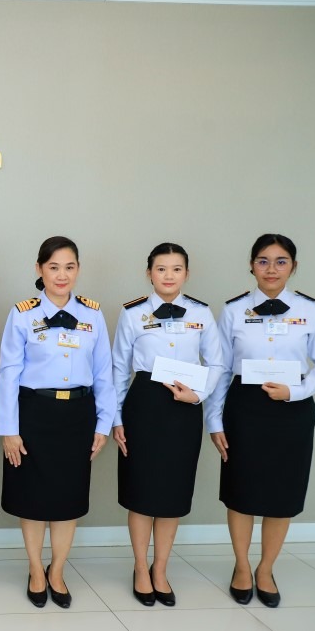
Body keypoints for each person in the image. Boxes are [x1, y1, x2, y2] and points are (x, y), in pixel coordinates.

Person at [206, 233, 315, 608]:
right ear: (251, 266)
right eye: (263, 261)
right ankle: (242, 566)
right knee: (241, 492)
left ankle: (266, 569)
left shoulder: (311, 310)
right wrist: (214, 420)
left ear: (293, 267)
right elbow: (220, 368)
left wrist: (295, 391)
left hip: (291, 409)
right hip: (244, 408)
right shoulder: (234, 310)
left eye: (281, 261)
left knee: (283, 494)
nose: (271, 269)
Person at [0, 236, 116, 609]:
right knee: (32, 499)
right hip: (33, 414)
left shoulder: (93, 315)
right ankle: (36, 570)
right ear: (39, 269)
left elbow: (105, 373)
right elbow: (8, 373)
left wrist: (103, 424)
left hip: (77, 416)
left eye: (69, 267)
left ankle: (58, 570)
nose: (61, 275)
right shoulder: (23, 314)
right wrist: (9, 429)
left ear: (78, 270)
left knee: (68, 499)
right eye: (53, 267)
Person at [112, 243, 225, 607]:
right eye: (161, 269)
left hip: (185, 407)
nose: (169, 275)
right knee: (141, 491)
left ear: (186, 274)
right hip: (144, 405)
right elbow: (119, 368)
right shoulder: (132, 313)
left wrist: (198, 395)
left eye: (176, 269)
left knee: (172, 493)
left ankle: (161, 569)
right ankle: (140, 568)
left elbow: (218, 363)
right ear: (149, 273)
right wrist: (116, 418)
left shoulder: (202, 313)